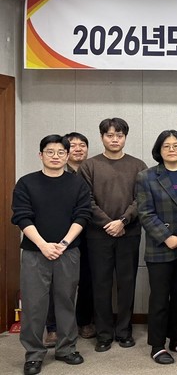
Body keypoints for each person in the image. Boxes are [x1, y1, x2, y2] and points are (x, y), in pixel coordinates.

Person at [12, 135, 92, 375]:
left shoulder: (77, 184)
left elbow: (82, 215)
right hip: (35, 253)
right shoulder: (26, 183)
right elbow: (21, 216)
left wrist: (64, 243)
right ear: (41, 155)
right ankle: (34, 354)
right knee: (34, 305)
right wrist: (43, 245)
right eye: (50, 151)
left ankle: (66, 349)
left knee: (66, 300)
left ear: (67, 156)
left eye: (60, 152)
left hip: (68, 252)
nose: (55, 156)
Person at [79, 118, 148, 352]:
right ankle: (104, 334)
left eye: (119, 135)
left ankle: (124, 332)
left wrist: (123, 221)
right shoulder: (89, 166)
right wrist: (109, 223)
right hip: (98, 235)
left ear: (125, 137)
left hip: (129, 232)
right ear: (102, 137)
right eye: (109, 135)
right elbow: (86, 200)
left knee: (127, 284)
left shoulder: (138, 165)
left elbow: (142, 199)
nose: (115, 139)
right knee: (101, 285)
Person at [136, 130, 177, 364]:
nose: (172, 150)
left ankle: (176, 340)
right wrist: (167, 237)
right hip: (160, 247)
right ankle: (157, 345)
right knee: (160, 298)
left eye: (176, 146)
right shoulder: (147, 176)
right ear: (159, 150)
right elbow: (145, 213)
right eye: (166, 146)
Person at [43, 132, 93, 348]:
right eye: (73, 145)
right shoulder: (54, 175)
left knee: (87, 280)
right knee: (55, 285)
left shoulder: (91, 170)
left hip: (89, 234)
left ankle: (83, 321)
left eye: (83, 145)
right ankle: (53, 328)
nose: (78, 149)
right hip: (58, 239)